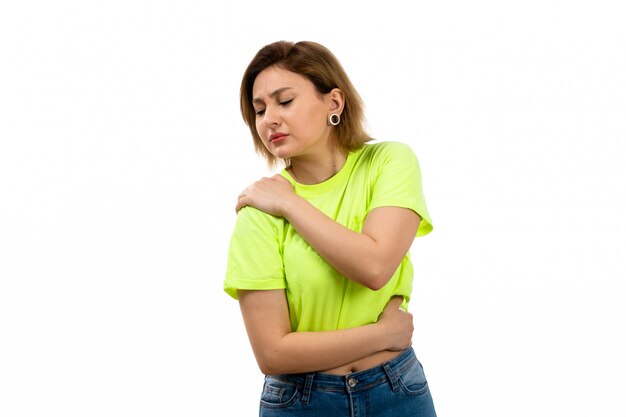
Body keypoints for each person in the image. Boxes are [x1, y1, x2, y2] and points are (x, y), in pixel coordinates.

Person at [224, 40, 437, 416]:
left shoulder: (389, 162)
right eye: (259, 110)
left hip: (396, 391)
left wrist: (291, 204)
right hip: (300, 401)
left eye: (284, 101)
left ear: (333, 103)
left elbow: (375, 267)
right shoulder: (259, 209)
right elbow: (273, 353)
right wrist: (383, 335)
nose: (269, 119)